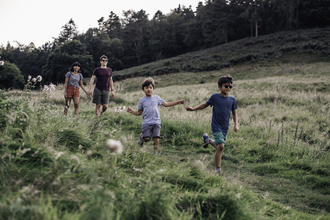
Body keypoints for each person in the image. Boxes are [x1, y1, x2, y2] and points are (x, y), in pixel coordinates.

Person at [186, 74, 239, 175]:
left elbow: (234, 113)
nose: (228, 88)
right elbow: (204, 105)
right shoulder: (215, 97)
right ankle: (218, 170)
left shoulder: (232, 100)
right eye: (226, 86)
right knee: (221, 147)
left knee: (219, 147)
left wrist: (236, 124)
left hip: (225, 127)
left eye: (230, 86)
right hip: (216, 126)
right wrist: (193, 108)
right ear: (220, 86)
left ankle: (208, 140)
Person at [127, 77, 185, 155]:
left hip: (156, 122)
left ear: (153, 89)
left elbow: (167, 104)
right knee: (147, 139)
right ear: (143, 90)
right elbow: (139, 112)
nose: (148, 89)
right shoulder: (141, 100)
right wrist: (132, 112)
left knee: (156, 138)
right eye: (146, 88)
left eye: (150, 87)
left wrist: (178, 102)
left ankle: (155, 153)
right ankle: (142, 137)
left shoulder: (156, 98)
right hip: (146, 123)